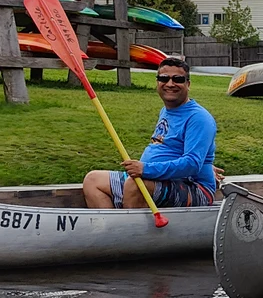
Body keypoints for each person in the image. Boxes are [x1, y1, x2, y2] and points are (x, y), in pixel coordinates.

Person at [82, 57, 219, 208]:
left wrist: (145, 169)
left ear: (188, 84)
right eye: (164, 78)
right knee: (92, 180)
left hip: (193, 188)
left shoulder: (199, 118)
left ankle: (132, 230)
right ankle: (112, 228)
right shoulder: (167, 110)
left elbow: (192, 164)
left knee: (135, 185)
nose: (170, 84)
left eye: (178, 79)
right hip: (158, 179)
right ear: (158, 82)